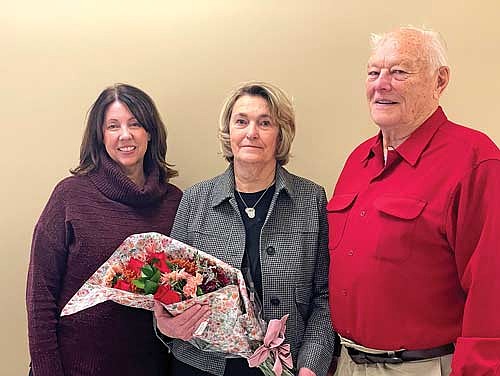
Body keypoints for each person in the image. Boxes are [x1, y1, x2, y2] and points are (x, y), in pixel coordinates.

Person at [328, 26, 500, 375]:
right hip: (348, 364)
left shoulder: (476, 161)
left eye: (399, 72)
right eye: (373, 72)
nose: (381, 84)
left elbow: (491, 291)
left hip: (424, 367)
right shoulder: (357, 160)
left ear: (440, 81)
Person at [154, 81, 336, 376]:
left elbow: (325, 298)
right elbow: (168, 294)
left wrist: (311, 366)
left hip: (286, 368)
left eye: (265, 123)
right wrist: (166, 325)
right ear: (229, 132)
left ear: (281, 135)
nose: (251, 132)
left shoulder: (310, 200)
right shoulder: (194, 200)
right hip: (201, 366)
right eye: (241, 122)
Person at [26, 83, 182, 375]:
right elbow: (40, 296)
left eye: (135, 123)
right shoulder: (70, 196)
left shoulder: (175, 202)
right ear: (100, 136)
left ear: (150, 132)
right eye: (113, 126)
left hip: (151, 366)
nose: (126, 135)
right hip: (76, 367)